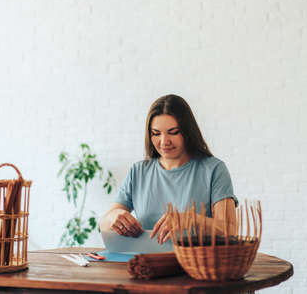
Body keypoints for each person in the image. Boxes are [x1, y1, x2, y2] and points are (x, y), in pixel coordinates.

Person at [100, 94, 238, 245]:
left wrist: (190, 219)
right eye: (156, 133)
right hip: (147, 263)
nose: (164, 141)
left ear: (188, 132)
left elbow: (229, 230)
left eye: (173, 132)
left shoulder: (214, 169)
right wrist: (115, 217)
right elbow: (104, 224)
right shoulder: (138, 172)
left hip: (197, 265)